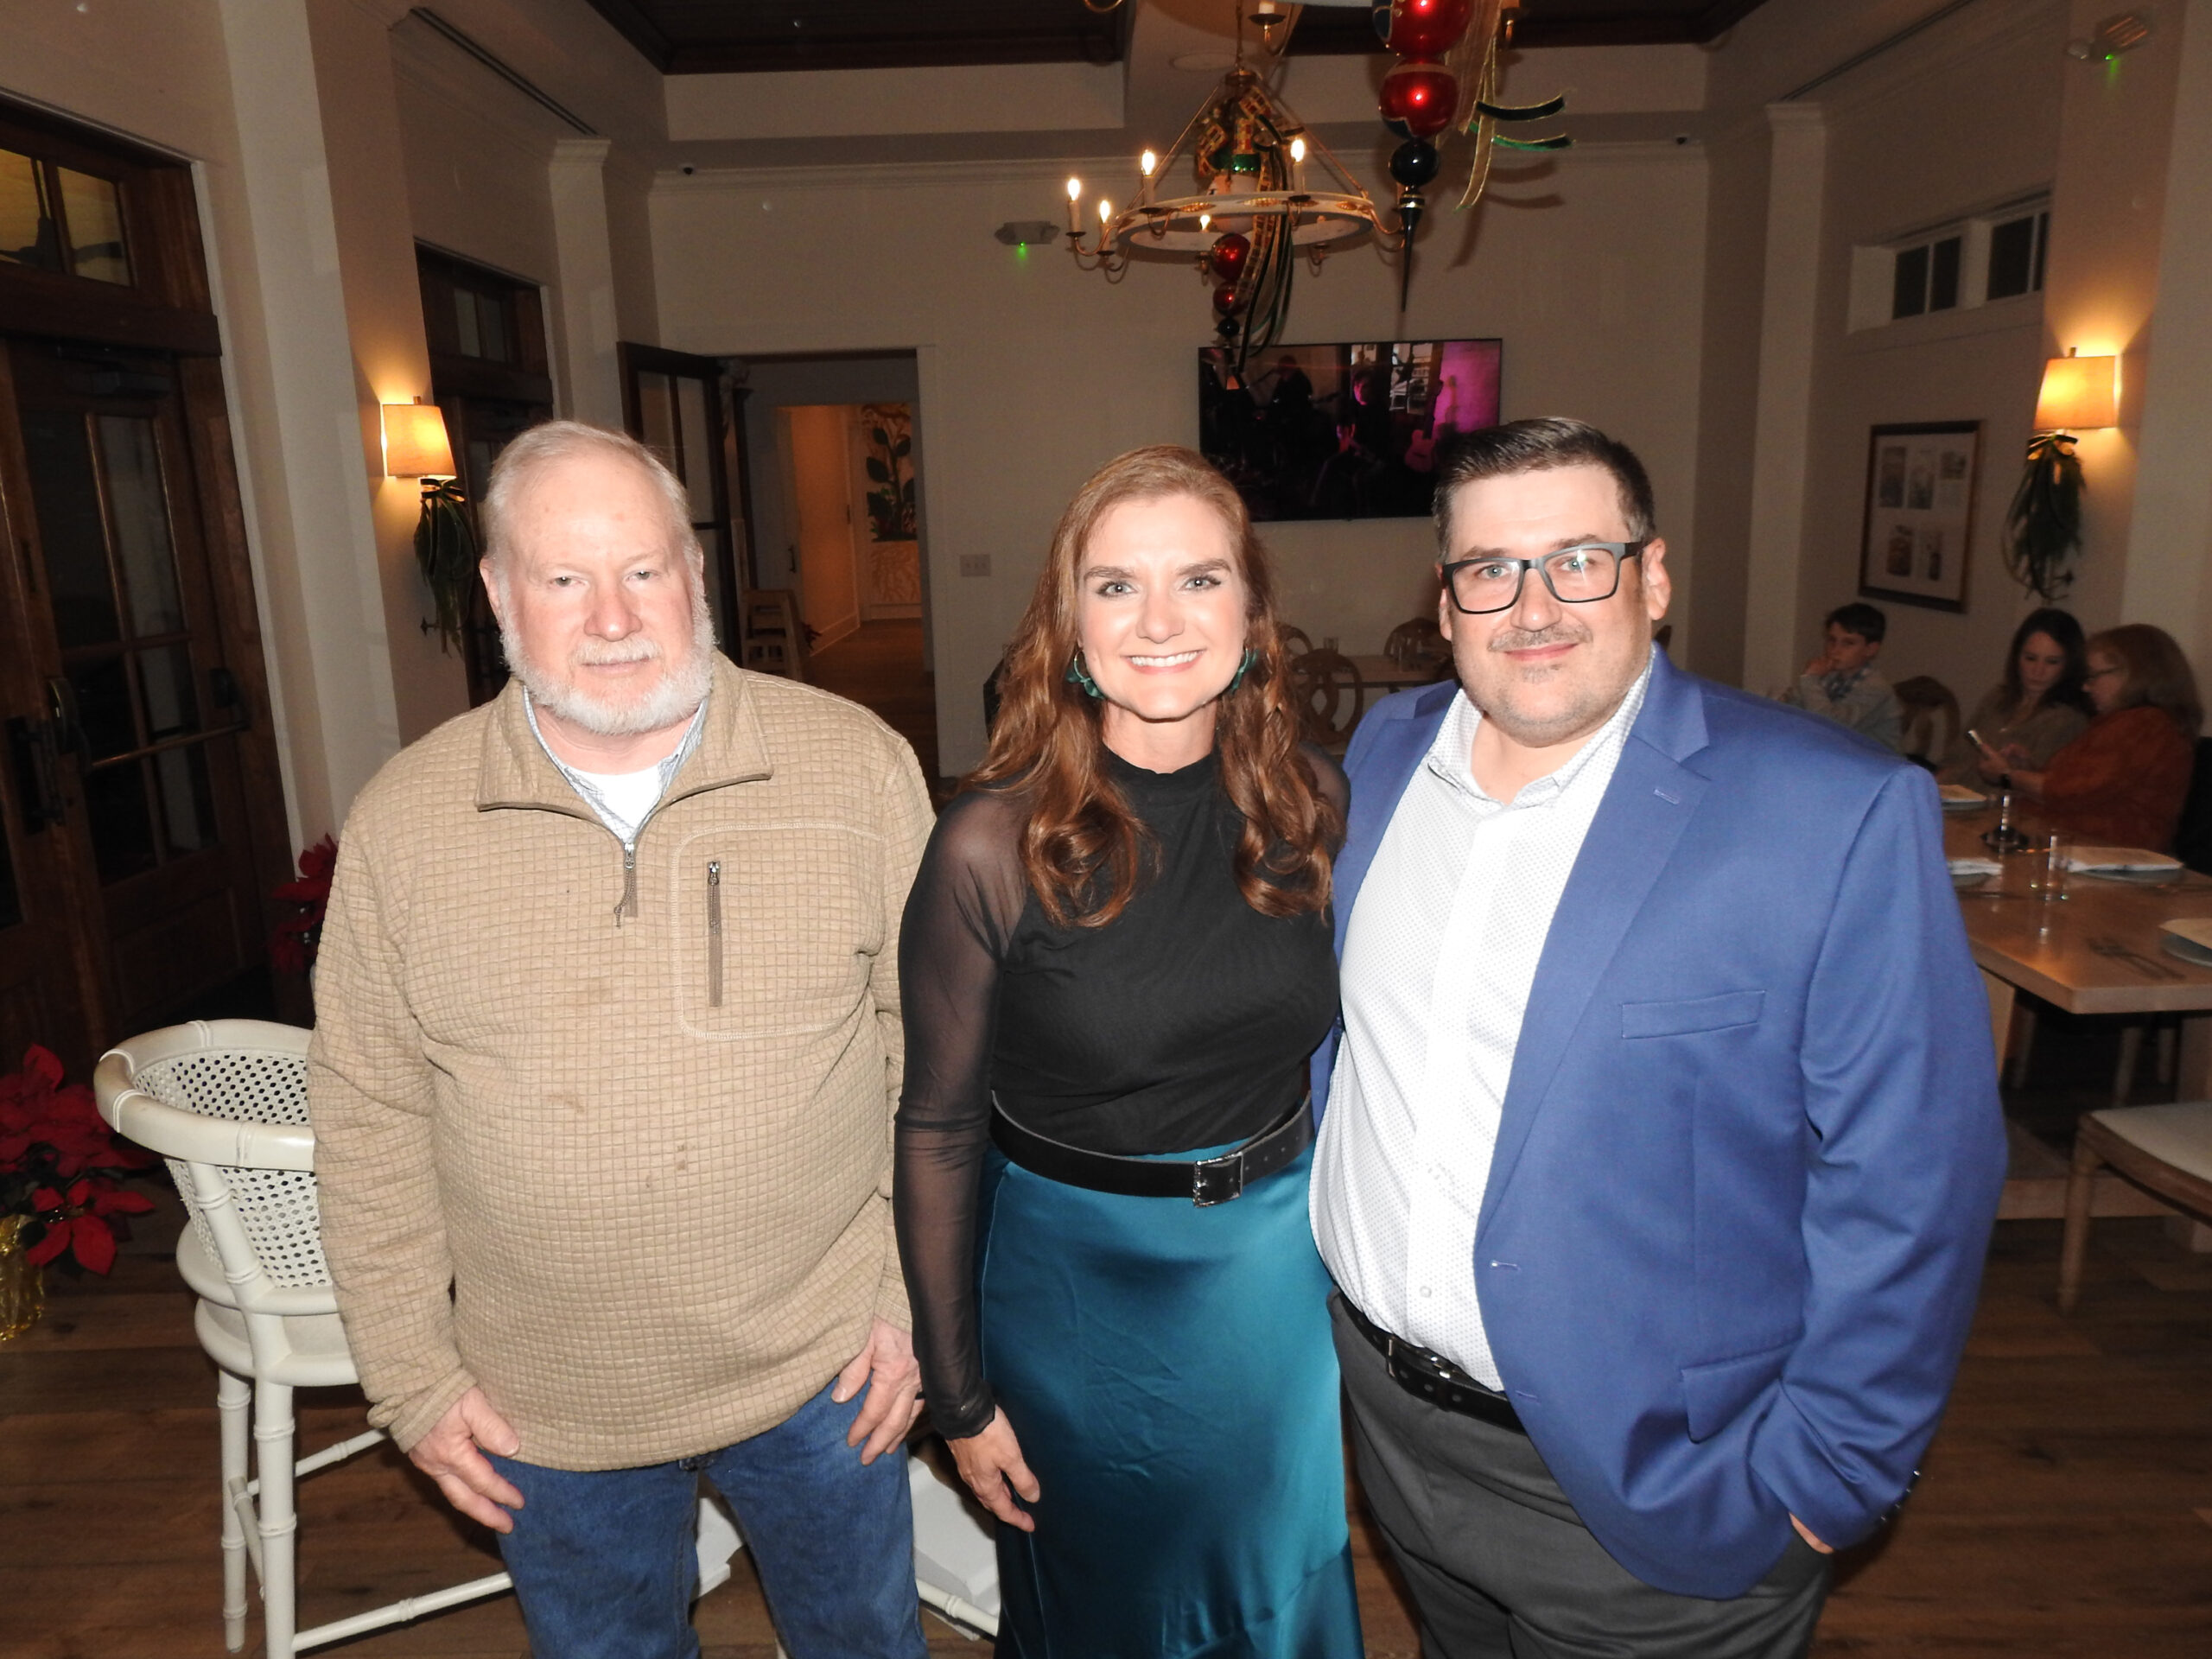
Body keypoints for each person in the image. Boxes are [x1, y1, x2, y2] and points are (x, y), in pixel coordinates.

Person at [1311, 418, 2006, 1657]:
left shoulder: (1829, 810)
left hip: (1663, 1489)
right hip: (1395, 1436)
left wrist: (1826, 1476)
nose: (1535, 608)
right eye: (1492, 569)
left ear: (1655, 578)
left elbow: (1917, 1177)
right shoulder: (1384, 752)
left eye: (1579, 560)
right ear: (1448, 598)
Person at [308, 423, 934, 1659]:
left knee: (864, 1641)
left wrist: (912, 1300)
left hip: (826, 1364)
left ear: (694, 574)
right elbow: (368, 1115)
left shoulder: (856, 769)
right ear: (499, 594)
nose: (612, 618)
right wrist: (412, 1380)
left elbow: (941, 1060)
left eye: (644, 570)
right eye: (564, 578)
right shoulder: (405, 823)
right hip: (544, 1403)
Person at [894, 445, 1363, 1656]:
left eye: (1199, 580)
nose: (1159, 621)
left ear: (1251, 615)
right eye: (1116, 586)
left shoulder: (1314, 803)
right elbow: (937, 1128)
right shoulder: (988, 845)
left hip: (1269, 1281)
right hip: (1070, 1292)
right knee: (1103, 1608)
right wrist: (958, 1396)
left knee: (1274, 1587)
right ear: (1070, 626)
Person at [2000, 621, 2201, 851]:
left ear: (2132, 674)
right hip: (2079, 847)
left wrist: (2009, 776)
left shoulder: (2145, 725)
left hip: (2108, 853)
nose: (2086, 687)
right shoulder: (2126, 723)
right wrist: (2030, 770)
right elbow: (2086, 786)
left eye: (2094, 676)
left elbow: (2068, 791)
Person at [1939, 607, 2093, 785]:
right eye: (2030, 658)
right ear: (2017, 656)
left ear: (2069, 665)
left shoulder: (2066, 720)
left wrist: (2010, 773)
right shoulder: (1998, 698)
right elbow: (1954, 759)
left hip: (1997, 801)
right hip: (1953, 794)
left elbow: (2047, 787)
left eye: (2052, 662)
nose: (2038, 671)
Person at [1777, 601, 1902, 750]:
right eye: (1832, 640)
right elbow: (1792, 707)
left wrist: (1810, 680)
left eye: (1848, 643)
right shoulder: (1830, 675)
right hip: (1838, 751)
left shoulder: (1876, 688)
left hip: (1875, 760)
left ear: (1870, 649)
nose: (1835, 650)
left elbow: (1832, 725)